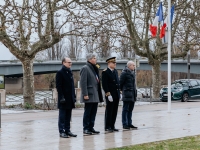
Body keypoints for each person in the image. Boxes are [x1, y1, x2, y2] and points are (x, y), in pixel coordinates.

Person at [80, 53, 103, 135]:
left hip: (95, 94)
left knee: (93, 112)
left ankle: (91, 127)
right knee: (88, 112)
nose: (95, 59)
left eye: (95, 58)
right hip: (89, 94)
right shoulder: (85, 68)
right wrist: (85, 94)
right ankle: (86, 128)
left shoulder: (94, 68)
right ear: (89, 60)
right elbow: (83, 82)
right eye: (94, 58)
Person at [56, 57, 77, 138]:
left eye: (71, 62)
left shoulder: (70, 72)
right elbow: (59, 86)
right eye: (68, 62)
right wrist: (61, 97)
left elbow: (72, 86)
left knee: (68, 115)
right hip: (63, 98)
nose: (70, 63)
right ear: (63, 63)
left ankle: (67, 130)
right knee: (62, 116)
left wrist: (74, 96)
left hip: (70, 98)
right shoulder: (60, 72)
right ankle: (62, 131)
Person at [102, 57, 121, 132]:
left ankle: (112, 125)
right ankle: (107, 126)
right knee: (109, 111)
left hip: (116, 94)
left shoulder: (115, 71)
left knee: (115, 111)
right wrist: (108, 94)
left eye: (115, 63)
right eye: (113, 63)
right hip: (110, 94)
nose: (115, 64)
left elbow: (117, 82)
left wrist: (120, 92)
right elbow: (104, 84)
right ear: (109, 63)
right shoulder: (105, 72)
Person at [120, 61, 138, 130]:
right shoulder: (124, 73)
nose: (134, 66)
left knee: (130, 109)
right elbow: (120, 83)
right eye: (133, 65)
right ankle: (125, 124)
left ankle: (129, 123)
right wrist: (122, 91)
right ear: (129, 65)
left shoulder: (132, 73)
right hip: (127, 94)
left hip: (132, 94)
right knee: (125, 109)